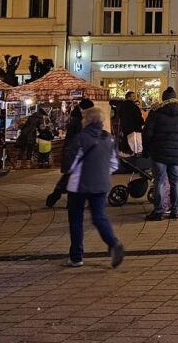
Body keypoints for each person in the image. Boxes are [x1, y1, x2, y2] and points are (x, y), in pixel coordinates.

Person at [63, 106, 124, 268]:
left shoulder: (80, 138)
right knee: (99, 217)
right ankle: (113, 243)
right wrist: (102, 173)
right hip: (101, 184)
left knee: (76, 220)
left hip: (79, 185)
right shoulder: (109, 138)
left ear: (88, 120)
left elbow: (70, 165)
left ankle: (76, 257)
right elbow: (114, 163)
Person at [143, 87, 178, 220]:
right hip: (176, 154)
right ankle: (175, 210)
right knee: (176, 182)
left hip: (158, 153)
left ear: (163, 98)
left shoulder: (155, 113)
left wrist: (145, 150)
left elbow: (147, 133)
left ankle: (159, 211)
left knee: (160, 182)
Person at [47, 99, 95, 208]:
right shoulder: (79, 122)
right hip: (75, 153)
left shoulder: (77, 119)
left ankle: (57, 194)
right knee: (74, 177)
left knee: (70, 176)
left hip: (73, 153)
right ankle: (69, 200)